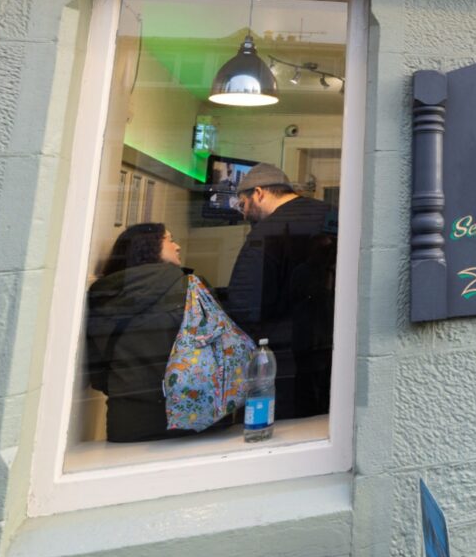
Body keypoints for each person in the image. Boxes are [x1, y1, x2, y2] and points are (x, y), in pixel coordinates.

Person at [223, 163, 337, 420]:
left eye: (243, 204)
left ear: (259, 193)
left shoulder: (264, 234)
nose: (243, 214)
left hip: (285, 356)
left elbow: (244, 307)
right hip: (334, 345)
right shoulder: (334, 215)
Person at [85, 223, 204, 442]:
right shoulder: (191, 290)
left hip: (127, 423)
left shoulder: (102, 295)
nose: (177, 246)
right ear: (149, 246)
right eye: (169, 239)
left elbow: (99, 377)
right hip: (190, 417)